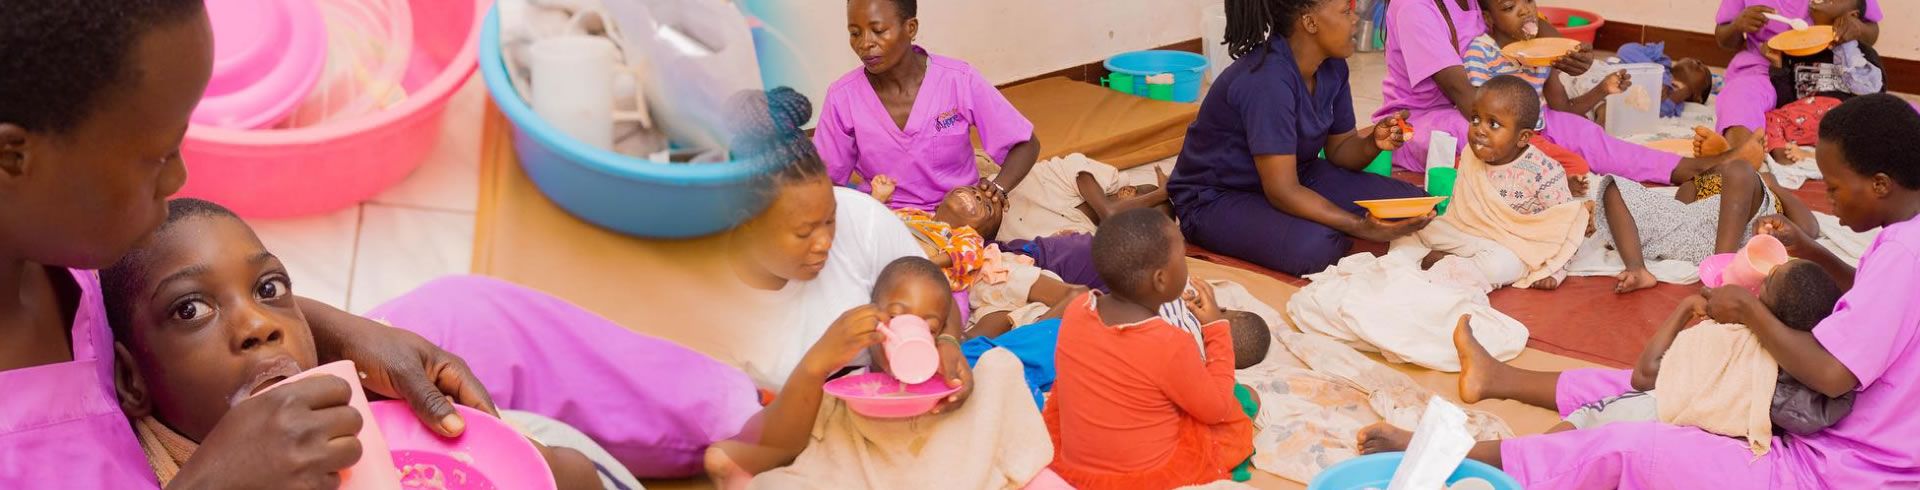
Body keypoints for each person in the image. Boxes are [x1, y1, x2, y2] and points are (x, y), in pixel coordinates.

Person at [0, 1, 505, 487]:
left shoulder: (56, 243)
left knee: (470, 311)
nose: (179, 177)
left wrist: (342, 333)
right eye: (154, 157)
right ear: (12, 157)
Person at [1357, 94, 1920, 488]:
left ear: (1880, 184)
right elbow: (1874, 299)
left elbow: (1833, 374)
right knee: (1657, 382)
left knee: (1628, 442)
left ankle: (1454, 465)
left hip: (1838, 468)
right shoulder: (1901, 238)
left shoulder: (1896, 248)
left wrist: (1747, 305)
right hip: (1833, 426)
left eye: (1836, 186)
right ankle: (1500, 380)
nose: (1831, 195)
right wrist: (1813, 250)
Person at [99, 199, 604, 488]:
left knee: (468, 303)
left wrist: (514, 460)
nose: (258, 325)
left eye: (269, 289)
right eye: (191, 310)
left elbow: (578, 477)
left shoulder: (384, 435)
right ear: (131, 380)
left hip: (546, 446)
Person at [1170, 0, 1434, 277]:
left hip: (1295, 172)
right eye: (1346, 11)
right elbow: (1282, 190)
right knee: (1317, 246)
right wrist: (1358, 226)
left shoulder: (1333, 67)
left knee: (1413, 205)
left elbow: (1341, 150)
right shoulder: (1267, 81)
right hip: (1215, 198)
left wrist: (1372, 143)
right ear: (1310, 23)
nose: (1355, 19)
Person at [1380, 0, 1758, 185]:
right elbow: (1467, 100)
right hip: (1421, 122)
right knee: (1498, 136)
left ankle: (1682, 170)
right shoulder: (1416, 6)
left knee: (1578, 131)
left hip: (1495, 103)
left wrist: (1565, 51)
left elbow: (1532, 22)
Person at [1045, 209, 1258, 488]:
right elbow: (1215, 409)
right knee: (1244, 398)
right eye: (1182, 258)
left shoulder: (1076, 309)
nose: (1186, 264)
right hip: (1144, 477)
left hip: (1075, 464)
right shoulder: (1169, 343)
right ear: (1160, 280)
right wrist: (1216, 329)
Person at [1536, 259, 1854, 436]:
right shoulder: (1800, 380)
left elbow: (1644, 376)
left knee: (1581, 424)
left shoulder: (1729, 336)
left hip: (1650, 414)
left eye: (1768, 279)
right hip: (1691, 437)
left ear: (1761, 302)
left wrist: (1686, 308)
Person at [816, 0, 1042, 212]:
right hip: (888, 221)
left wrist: (999, 188)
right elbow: (824, 182)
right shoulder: (842, 97)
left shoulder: (958, 79)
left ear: (911, 28)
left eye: (878, 30)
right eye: (855, 33)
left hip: (960, 217)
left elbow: (1025, 144)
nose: (865, 43)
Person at [1396, 76, 1589, 292]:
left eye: (1493, 124)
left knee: (1501, 265)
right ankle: (1402, 264)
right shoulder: (1470, 155)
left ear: (1523, 137)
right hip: (1466, 233)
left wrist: (1554, 271)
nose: (1479, 129)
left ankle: (1449, 267)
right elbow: (1459, 213)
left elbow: (1565, 226)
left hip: (1510, 245)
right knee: (1412, 227)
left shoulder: (1544, 171)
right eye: (1475, 119)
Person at [1712, 0, 1883, 146]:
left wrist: (1856, 28)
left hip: (1827, 74)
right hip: (1764, 67)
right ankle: (1740, 158)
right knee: (1739, 98)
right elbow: (1724, 38)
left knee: (1875, 121)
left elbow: (1871, 30)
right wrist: (1737, 25)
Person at [1463, 0, 1628, 119]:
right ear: (1488, 18)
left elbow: (1563, 107)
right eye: (1509, 7)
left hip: (1539, 134)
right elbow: (1481, 113)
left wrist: (1603, 88)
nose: (1525, 11)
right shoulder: (1481, 52)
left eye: (1529, 1)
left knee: (1585, 144)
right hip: (1508, 141)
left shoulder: (1542, 53)